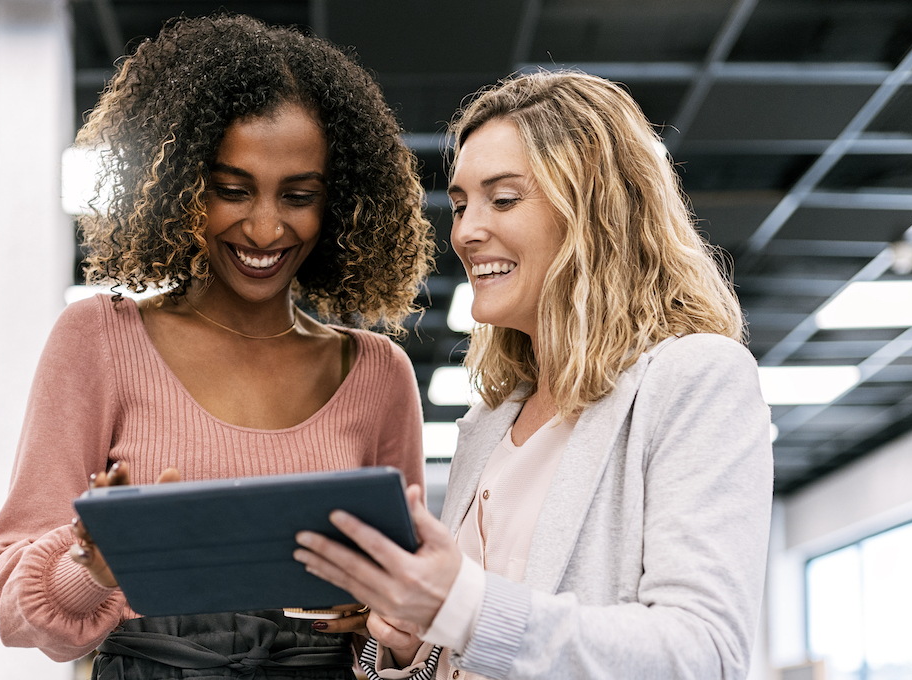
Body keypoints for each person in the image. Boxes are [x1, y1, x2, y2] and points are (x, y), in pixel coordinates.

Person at [0, 15, 434, 680]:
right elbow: (15, 610)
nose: (264, 226)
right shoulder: (99, 340)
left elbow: (407, 618)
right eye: (233, 190)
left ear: (337, 204)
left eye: (299, 195)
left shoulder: (376, 373)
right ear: (181, 187)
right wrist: (93, 562)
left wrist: (382, 619)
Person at [292, 71, 773, 680]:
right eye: (462, 204)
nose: (464, 231)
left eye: (504, 198)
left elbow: (703, 654)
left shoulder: (696, 379)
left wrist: (458, 605)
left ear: (594, 209)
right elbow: (477, 644)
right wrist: (411, 643)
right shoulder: (489, 425)